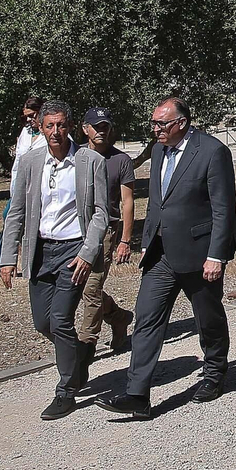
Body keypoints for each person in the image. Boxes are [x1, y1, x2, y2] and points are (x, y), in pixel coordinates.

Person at [98, 97, 236, 420]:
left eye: (162, 124)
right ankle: (137, 394)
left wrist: (216, 256)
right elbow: (157, 201)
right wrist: (147, 240)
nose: (156, 130)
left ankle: (214, 372)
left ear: (182, 123)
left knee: (208, 318)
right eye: (154, 123)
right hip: (160, 254)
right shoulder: (159, 150)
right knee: (146, 318)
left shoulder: (212, 151)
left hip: (199, 253)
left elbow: (223, 209)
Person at [0, 100, 110, 419]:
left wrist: (87, 253)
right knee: (43, 323)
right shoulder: (31, 161)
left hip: (73, 251)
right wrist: (8, 258)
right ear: (41, 128)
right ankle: (80, 352)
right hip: (41, 251)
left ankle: (66, 391)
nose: (56, 131)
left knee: (60, 319)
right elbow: (16, 211)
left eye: (61, 125)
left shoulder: (90, 161)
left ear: (70, 127)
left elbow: (101, 213)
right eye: (49, 126)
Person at [76, 107, 136, 357]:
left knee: (91, 287)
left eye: (105, 127)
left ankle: (85, 346)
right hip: (76, 229)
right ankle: (117, 316)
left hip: (106, 231)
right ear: (85, 129)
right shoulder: (76, 156)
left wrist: (125, 240)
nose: (101, 131)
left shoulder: (120, 160)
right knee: (80, 286)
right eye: (96, 126)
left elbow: (128, 201)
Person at [0, 95, 45, 274]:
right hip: (20, 187)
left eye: (32, 115)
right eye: (26, 117)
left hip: (40, 188)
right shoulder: (25, 133)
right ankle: (0, 262)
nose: (29, 120)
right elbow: (18, 163)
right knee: (10, 218)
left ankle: (32, 263)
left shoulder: (52, 134)